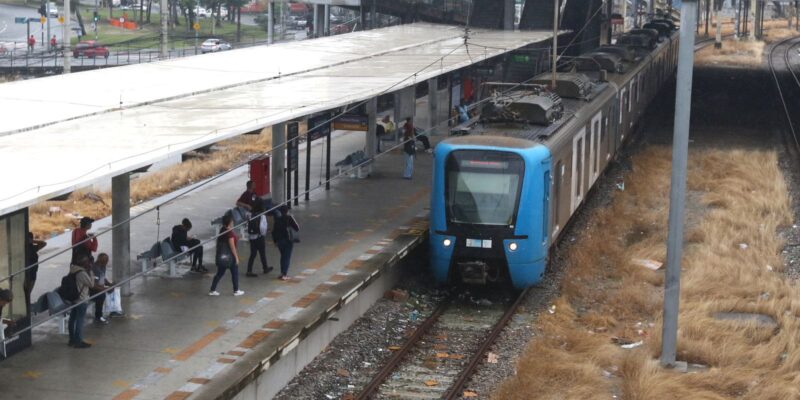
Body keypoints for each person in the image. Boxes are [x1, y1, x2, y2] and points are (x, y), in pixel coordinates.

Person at [68, 253, 108, 348]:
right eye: (88, 262)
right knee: (79, 321)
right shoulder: (81, 273)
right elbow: (91, 284)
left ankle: (72, 339)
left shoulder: (72, 270)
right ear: (84, 263)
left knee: (72, 319)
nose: (89, 263)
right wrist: (90, 272)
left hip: (74, 298)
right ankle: (78, 341)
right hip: (81, 299)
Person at [209, 215, 244, 296]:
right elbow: (232, 247)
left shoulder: (223, 230)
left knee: (220, 273)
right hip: (230, 257)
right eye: (232, 221)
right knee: (234, 273)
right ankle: (236, 290)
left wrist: (236, 238)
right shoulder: (229, 233)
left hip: (223, 256)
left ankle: (212, 289)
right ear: (229, 222)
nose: (233, 222)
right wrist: (236, 257)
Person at [272, 205, 299, 281]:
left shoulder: (277, 219)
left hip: (279, 241)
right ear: (287, 211)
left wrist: (275, 241)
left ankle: (282, 273)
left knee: (283, 256)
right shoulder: (289, 218)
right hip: (288, 240)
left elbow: (273, 231)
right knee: (286, 257)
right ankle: (284, 274)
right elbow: (297, 227)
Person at [246, 202, 272, 277]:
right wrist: (263, 234)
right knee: (262, 253)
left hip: (251, 237)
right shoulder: (262, 216)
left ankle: (249, 270)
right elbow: (263, 228)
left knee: (253, 254)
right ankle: (265, 268)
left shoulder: (249, 214)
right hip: (259, 237)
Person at [24, 232, 47, 307]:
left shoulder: (33, 247)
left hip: (33, 273)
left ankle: (27, 305)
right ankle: (26, 306)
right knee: (25, 292)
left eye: (30, 238)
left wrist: (33, 241)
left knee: (28, 292)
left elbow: (44, 243)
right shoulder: (23, 247)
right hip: (26, 273)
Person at [90, 253, 112, 324]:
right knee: (101, 296)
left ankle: (114, 310)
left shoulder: (103, 267)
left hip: (100, 287)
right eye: (106, 261)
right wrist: (104, 289)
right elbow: (93, 285)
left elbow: (103, 278)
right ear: (101, 261)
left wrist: (109, 284)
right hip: (92, 290)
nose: (107, 263)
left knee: (113, 288)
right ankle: (98, 317)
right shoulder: (94, 269)